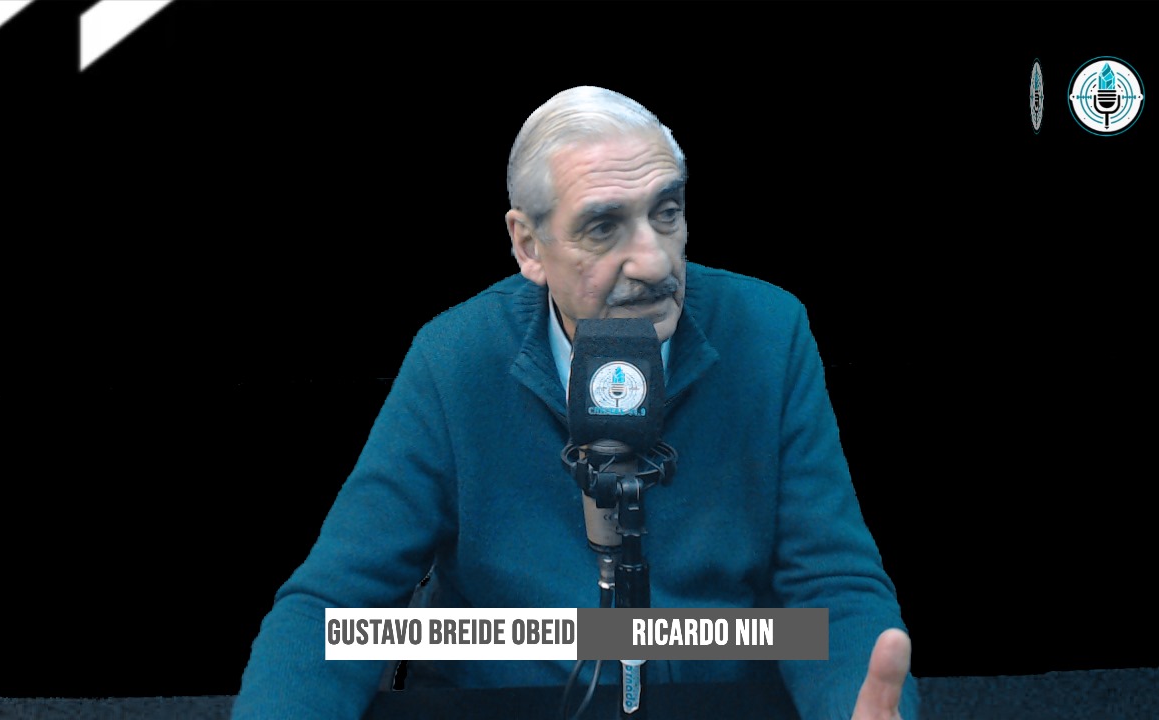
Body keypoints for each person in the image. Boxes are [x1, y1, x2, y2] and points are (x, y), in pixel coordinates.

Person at [233, 86, 918, 720]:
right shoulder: (455, 358)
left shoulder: (770, 332)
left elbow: (832, 585)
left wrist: (856, 705)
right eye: (603, 227)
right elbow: (337, 606)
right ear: (528, 246)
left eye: (667, 212)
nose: (655, 261)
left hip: (717, 700)